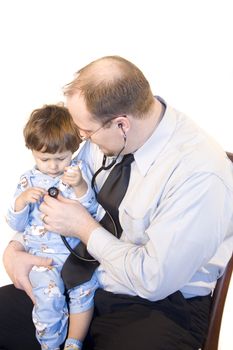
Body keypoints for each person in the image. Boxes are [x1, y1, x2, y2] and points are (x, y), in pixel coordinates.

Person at [0, 55, 233, 350]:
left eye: (86, 131)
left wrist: (85, 229)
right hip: (79, 278)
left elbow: (154, 280)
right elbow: (58, 196)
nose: (81, 139)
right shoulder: (104, 139)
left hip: (157, 306)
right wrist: (15, 249)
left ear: (122, 124)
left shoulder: (201, 173)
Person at [4, 104, 99, 350]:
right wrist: (21, 201)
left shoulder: (78, 173)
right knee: (48, 297)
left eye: (61, 158)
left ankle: (73, 343)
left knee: (85, 290)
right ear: (32, 151)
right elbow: (17, 224)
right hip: (40, 258)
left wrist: (79, 186)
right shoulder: (28, 180)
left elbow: (91, 210)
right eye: (45, 159)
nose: (54, 166)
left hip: (76, 256)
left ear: (73, 150)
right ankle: (49, 345)